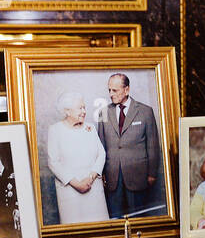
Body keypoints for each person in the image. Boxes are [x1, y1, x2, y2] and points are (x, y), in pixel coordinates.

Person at [98, 73, 161, 218]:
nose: (111, 94)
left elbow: (152, 145)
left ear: (126, 90)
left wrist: (152, 173)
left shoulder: (145, 112)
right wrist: (102, 174)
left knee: (138, 218)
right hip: (113, 176)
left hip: (138, 175)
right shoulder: (104, 112)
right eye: (109, 90)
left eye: (115, 90)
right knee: (115, 219)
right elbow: (101, 146)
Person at [47, 91, 110, 225]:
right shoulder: (55, 130)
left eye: (84, 107)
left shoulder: (90, 128)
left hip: (93, 188)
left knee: (100, 230)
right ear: (67, 111)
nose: (84, 111)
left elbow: (101, 154)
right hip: (70, 192)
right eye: (80, 108)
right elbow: (53, 162)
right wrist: (76, 184)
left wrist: (91, 177)